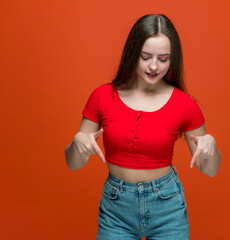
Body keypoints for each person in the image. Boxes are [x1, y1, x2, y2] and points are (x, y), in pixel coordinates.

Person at [65, 14, 221, 240]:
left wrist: (211, 146)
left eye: (164, 58)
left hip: (167, 207)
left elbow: (210, 169)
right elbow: (72, 164)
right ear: (132, 53)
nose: (155, 66)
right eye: (146, 57)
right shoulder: (102, 96)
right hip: (116, 209)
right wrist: (77, 142)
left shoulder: (185, 105)